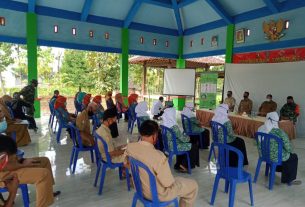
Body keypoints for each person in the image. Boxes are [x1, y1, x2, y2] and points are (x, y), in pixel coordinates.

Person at [126, 120, 198, 207]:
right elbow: (168, 183)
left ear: (141, 133)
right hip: (158, 195)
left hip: (140, 190)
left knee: (178, 179)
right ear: (154, 135)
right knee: (193, 186)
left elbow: (126, 164)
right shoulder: (158, 156)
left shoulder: (130, 147)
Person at [0, 135, 60, 207]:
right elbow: (5, 166)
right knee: (43, 174)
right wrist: (23, 165)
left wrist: (22, 160)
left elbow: (11, 157)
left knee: (44, 161)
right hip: (4, 174)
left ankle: (48, 193)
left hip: (8, 166)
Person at [258, 112, 301, 185]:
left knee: (283, 154)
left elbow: (256, 143)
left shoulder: (261, 128)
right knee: (293, 157)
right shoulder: (279, 132)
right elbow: (288, 146)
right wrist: (290, 151)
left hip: (264, 154)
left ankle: (274, 169)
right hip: (275, 157)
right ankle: (289, 180)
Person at [162, 107, 199, 172]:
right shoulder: (174, 126)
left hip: (168, 145)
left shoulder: (164, 124)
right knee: (193, 146)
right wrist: (188, 137)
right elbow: (183, 139)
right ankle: (184, 165)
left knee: (187, 144)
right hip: (174, 146)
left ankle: (178, 164)